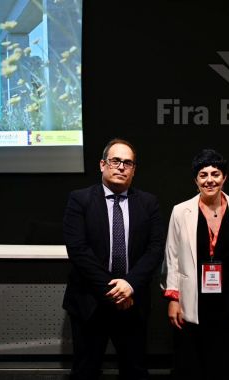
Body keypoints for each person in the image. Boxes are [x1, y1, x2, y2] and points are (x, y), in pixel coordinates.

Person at [62, 138, 165, 380]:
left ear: (134, 169)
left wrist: (129, 285)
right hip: (90, 302)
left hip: (133, 302)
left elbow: (156, 248)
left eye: (127, 163)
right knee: (85, 372)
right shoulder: (80, 199)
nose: (121, 167)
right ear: (102, 165)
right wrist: (114, 290)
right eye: (115, 161)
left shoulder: (149, 203)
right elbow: (78, 250)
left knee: (135, 371)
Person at [162, 149, 229, 380]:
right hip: (192, 299)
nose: (210, 180)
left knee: (222, 361)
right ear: (195, 180)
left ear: (225, 178)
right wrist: (173, 299)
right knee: (191, 362)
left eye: (215, 174)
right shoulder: (181, 211)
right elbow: (171, 256)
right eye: (203, 175)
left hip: (227, 298)